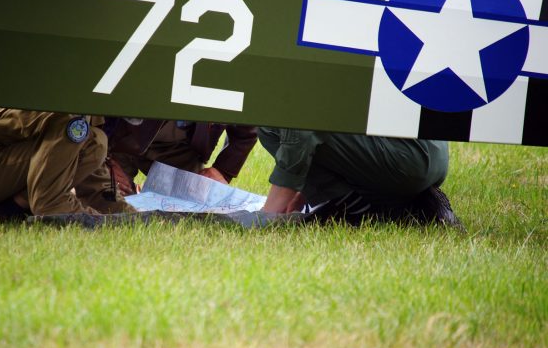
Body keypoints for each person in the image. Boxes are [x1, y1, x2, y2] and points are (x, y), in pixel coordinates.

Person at [0, 108, 134, 221]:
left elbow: (94, 184)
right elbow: (50, 204)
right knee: (82, 132)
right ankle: (2, 211)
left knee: (94, 142)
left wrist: (129, 216)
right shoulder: (73, 109)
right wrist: (98, 221)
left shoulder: (81, 101)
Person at [257, 128, 460, 225]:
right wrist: (307, 189)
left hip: (405, 157)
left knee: (270, 126)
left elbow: (303, 127)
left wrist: (268, 214)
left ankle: (355, 208)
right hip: (432, 151)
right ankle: (403, 205)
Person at [105, 118, 257, 195]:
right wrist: (105, 160)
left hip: (179, 149)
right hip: (119, 142)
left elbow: (247, 127)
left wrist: (223, 170)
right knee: (108, 199)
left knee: (190, 205)